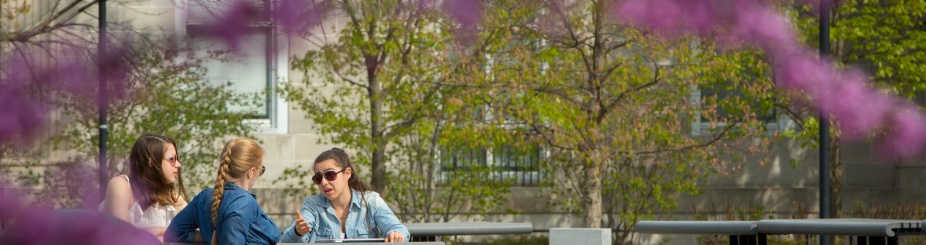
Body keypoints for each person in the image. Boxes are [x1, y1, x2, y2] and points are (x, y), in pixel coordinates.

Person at [165, 137, 279, 245]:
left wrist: (211, 236)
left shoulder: (204, 197)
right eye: (260, 170)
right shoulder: (243, 203)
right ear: (251, 171)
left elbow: (172, 234)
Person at [280, 148, 409, 243]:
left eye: (330, 175)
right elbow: (287, 240)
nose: (324, 182)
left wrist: (396, 234)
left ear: (347, 173)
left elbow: (400, 230)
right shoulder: (312, 205)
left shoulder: (372, 201)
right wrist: (298, 231)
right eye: (318, 178)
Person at [100, 134, 188, 242]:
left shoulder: (173, 198)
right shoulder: (121, 185)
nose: (178, 164)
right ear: (151, 162)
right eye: (172, 159)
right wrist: (161, 231)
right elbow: (123, 235)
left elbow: (196, 233)